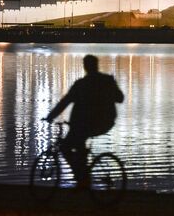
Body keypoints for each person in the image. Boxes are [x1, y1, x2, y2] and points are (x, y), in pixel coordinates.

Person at [44, 54, 124, 187]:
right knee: (79, 144)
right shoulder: (107, 80)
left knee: (65, 147)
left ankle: (81, 176)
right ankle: (83, 175)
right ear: (96, 65)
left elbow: (65, 102)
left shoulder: (81, 84)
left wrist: (50, 116)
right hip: (105, 122)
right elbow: (120, 98)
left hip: (84, 124)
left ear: (85, 67)